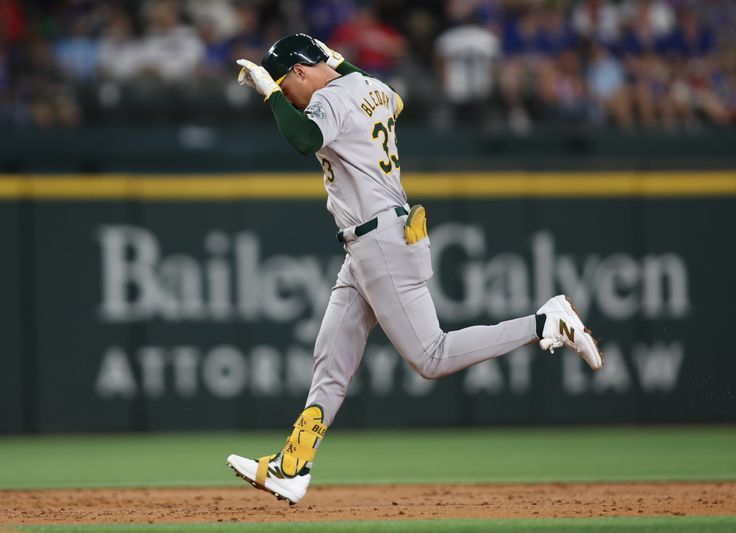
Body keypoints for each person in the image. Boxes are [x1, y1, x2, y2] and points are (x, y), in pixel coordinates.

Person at [227, 33, 604, 505]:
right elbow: (390, 99)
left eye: (289, 84)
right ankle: (293, 466)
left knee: (431, 356)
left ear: (301, 73)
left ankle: (545, 322)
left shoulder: (331, 99)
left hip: (378, 241)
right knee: (331, 360)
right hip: (368, 243)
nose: (291, 96)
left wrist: (270, 93)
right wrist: (333, 63)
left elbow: (304, 139)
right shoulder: (372, 87)